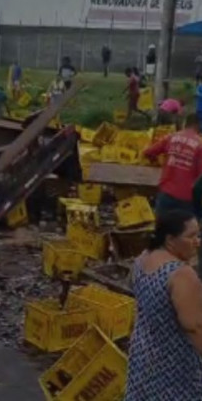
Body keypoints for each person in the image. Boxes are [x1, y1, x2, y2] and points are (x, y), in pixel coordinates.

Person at [125, 210, 202, 400]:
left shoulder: (142, 260)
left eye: (199, 235)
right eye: (191, 236)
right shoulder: (181, 274)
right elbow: (195, 328)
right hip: (174, 367)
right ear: (170, 239)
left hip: (144, 357)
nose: (197, 242)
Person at [144, 114, 202, 216]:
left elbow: (148, 152)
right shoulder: (200, 144)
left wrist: (156, 161)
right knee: (184, 231)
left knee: (162, 228)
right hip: (186, 198)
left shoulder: (171, 137)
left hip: (166, 193)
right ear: (198, 126)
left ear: (185, 123)